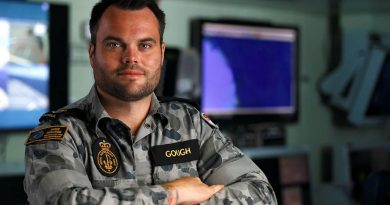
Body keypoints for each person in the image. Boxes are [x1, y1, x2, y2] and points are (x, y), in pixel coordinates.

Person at [23, 0, 277, 204]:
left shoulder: (190, 124)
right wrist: (172, 195)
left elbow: (260, 194)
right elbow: (64, 201)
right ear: (93, 53)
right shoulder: (58, 135)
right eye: (114, 44)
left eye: (145, 45)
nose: (131, 57)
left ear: (162, 53)